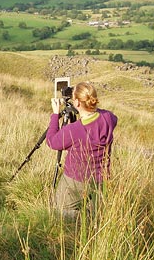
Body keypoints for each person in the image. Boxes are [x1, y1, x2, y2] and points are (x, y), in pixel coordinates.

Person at [46, 81, 118, 219]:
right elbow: (114, 118)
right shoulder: (107, 117)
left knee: (61, 211)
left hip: (76, 179)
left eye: (73, 99)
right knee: (97, 213)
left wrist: (55, 115)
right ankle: (92, 221)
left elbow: (52, 142)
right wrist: (91, 106)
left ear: (77, 103)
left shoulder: (74, 130)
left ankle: (80, 222)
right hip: (102, 178)